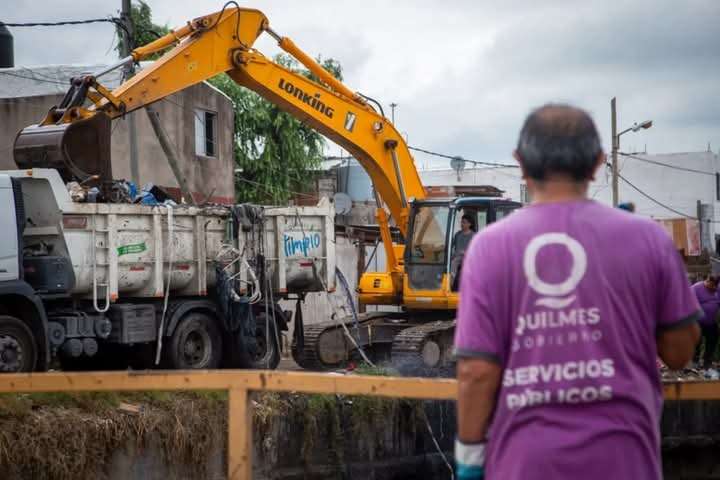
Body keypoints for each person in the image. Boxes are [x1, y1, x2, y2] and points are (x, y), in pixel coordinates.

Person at [453, 104, 701, 480]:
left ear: (520, 163)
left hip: (524, 465)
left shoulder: (488, 247)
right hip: (624, 461)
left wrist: (469, 464)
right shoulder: (648, 238)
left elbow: (476, 371)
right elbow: (681, 351)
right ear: (599, 162)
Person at [692, 275, 720, 368]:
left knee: (713, 340)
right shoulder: (696, 288)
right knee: (697, 342)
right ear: (707, 281)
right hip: (697, 321)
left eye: (716, 286)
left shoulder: (717, 289)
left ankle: (707, 361)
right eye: (712, 286)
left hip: (711, 322)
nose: (714, 289)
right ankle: (695, 361)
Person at [451, 214, 476, 291]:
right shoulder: (457, 234)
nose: (462, 224)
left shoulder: (473, 236)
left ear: (470, 224)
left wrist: (465, 253)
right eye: (461, 222)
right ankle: (450, 283)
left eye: (464, 222)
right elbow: (452, 246)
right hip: (457, 257)